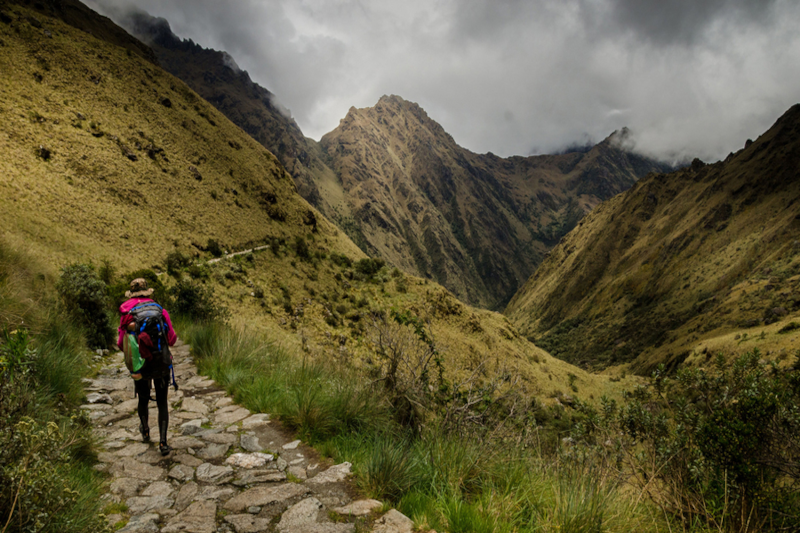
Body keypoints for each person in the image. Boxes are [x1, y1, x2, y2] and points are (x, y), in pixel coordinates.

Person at [117, 278, 178, 456]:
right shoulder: (160, 311)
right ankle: (163, 443)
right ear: (147, 292)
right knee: (162, 402)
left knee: (143, 399)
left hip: (140, 364)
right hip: (161, 362)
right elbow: (172, 339)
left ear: (131, 294)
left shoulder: (127, 314)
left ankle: (145, 431)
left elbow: (120, 343)